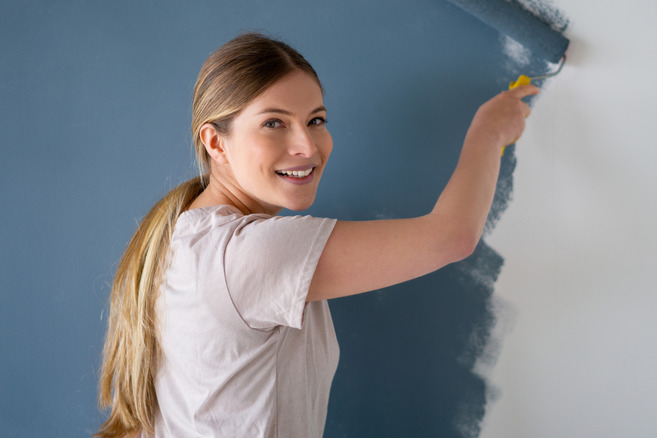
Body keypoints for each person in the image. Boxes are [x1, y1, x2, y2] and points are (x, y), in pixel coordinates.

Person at [96, 32, 538, 438]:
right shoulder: (250, 253)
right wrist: (488, 131)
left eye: (316, 120)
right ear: (216, 143)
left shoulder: (189, 239)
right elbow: (451, 237)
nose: (307, 146)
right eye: (274, 123)